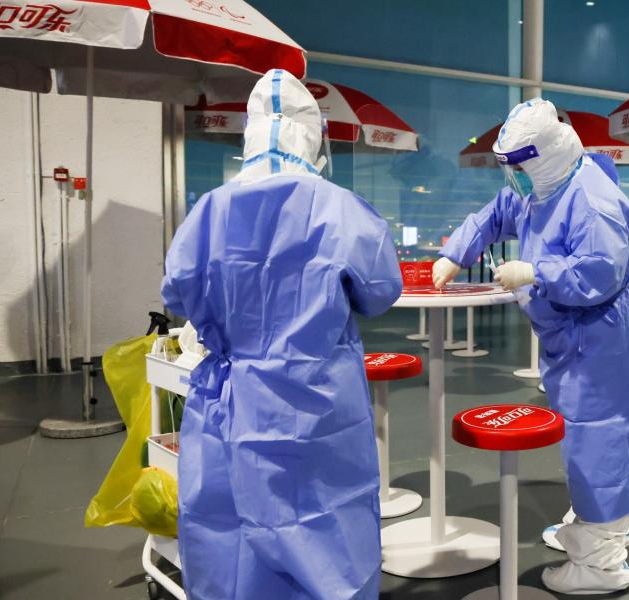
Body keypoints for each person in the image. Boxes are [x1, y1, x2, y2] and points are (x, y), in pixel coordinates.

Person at [161, 69, 402, 599]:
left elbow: (176, 295)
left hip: (230, 401)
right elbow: (381, 291)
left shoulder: (207, 212)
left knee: (231, 531)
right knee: (326, 526)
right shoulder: (340, 210)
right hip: (318, 404)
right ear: (314, 137)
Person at [433, 98, 629, 595]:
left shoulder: (591, 199)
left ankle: (604, 563)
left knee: (604, 438)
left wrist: (538, 271)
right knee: (582, 436)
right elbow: (499, 212)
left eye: (516, 167)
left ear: (541, 156)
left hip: (605, 334)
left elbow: (599, 270)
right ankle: (588, 528)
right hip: (575, 336)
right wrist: (456, 253)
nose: (511, 178)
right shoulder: (543, 183)